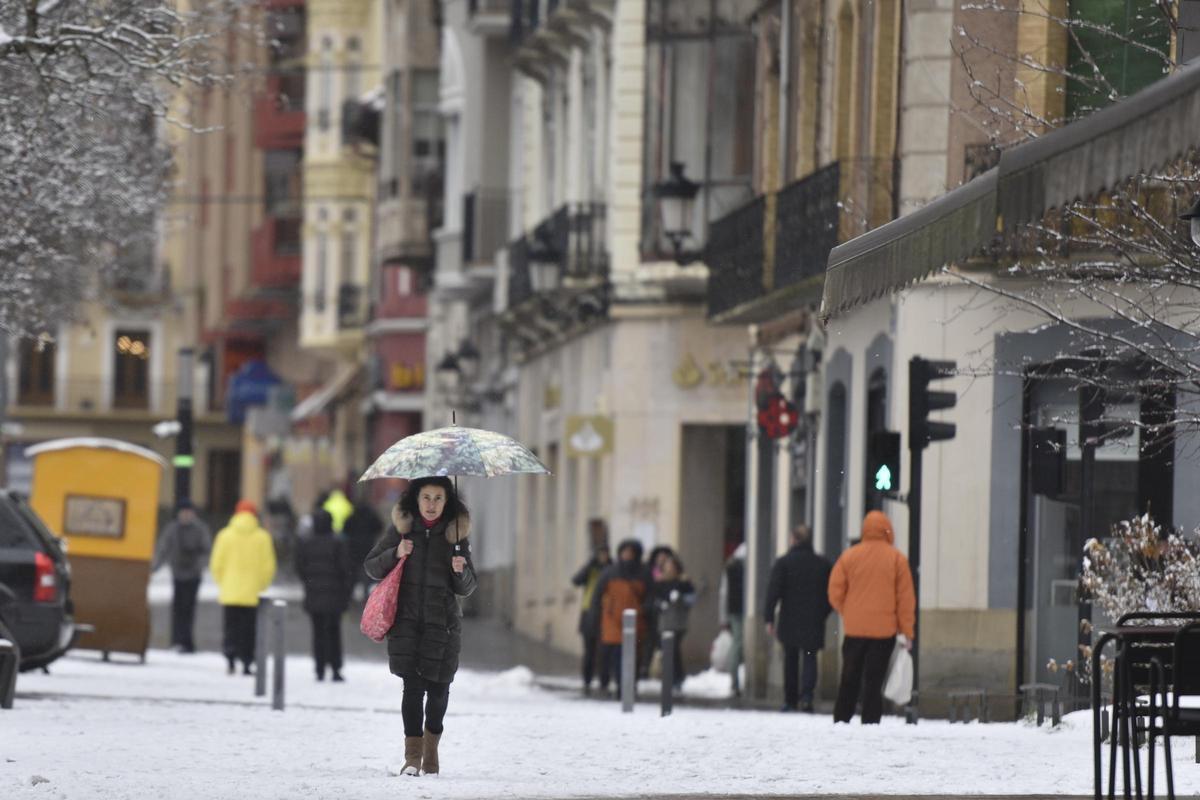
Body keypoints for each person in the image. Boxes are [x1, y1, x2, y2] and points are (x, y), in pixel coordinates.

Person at [364, 477, 476, 777]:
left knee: (439, 691)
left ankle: (431, 750)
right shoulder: (402, 529)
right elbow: (372, 566)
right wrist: (396, 553)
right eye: (426, 497)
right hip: (407, 624)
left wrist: (460, 570)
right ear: (416, 499)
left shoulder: (455, 535)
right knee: (412, 689)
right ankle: (412, 757)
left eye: (438, 498)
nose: (431, 505)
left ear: (446, 501)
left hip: (443, 626)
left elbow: (467, 587)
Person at [827, 510, 915, 724]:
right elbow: (905, 599)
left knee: (849, 677)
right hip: (883, 631)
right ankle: (870, 720)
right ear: (888, 530)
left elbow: (834, 590)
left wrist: (847, 610)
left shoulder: (850, 556)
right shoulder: (897, 559)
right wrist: (907, 631)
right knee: (873, 680)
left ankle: (842, 717)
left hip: (855, 629)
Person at [764, 525, 832, 712]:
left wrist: (769, 618)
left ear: (793, 539)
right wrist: (823, 612)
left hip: (790, 620)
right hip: (813, 620)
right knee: (810, 658)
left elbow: (773, 592)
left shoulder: (784, 563)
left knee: (791, 660)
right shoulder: (822, 564)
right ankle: (807, 697)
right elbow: (832, 594)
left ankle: (790, 699)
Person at [209, 499, 277, 675]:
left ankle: (231, 659)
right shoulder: (262, 537)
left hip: (230, 591)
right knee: (249, 630)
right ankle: (247, 662)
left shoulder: (224, 535)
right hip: (252, 593)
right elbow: (268, 566)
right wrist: (261, 584)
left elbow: (216, 564)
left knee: (230, 628)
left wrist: (223, 582)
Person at [295, 509, 354, 682]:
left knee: (318, 633)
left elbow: (299, 567)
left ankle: (319, 669)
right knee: (334, 634)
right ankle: (335, 669)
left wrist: (309, 583)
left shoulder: (306, 543)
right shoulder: (338, 543)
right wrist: (346, 592)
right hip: (335, 598)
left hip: (314, 596)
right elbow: (346, 570)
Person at [151, 498, 212, 654]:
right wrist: (154, 568)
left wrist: (199, 566)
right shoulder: (172, 529)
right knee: (178, 608)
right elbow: (163, 549)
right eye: (183, 512)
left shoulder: (200, 529)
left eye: (188, 512)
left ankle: (187, 642)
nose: (185, 515)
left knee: (189, 608)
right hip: (177, 573)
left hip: (193, 574)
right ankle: (177, 640)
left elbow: (206, 551)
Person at [590, 539, 649, 698]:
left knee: (632, 657)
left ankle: (628, 687)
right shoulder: (610, 572)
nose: (627, 555)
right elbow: (597, 596)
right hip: (612, 622)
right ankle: (617, 686)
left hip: (635, 622)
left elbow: (650, 597)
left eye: (631, 552)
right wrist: (595, 618)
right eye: (625, 552)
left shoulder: (644, 573)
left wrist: (645, 611)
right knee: (614, 656)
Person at [650, 552, 696, 690]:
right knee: (668, 651)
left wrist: (680, 598)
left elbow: (691, 600)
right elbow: (654, 599)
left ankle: (677, 677)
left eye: (671, 566)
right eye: (667, 566)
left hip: (678, 622)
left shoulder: (683, 582)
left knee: (674, 650)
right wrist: (659, 604)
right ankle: (672, 677)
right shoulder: (660, 583)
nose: (669, 569)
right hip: (664, 621)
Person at [571, 542, 611, 695]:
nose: (602, 557)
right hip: (588, 612)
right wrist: (589, 566)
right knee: (589, 650)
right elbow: (576, 581)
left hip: (605, 611)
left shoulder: (611, 568)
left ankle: (603, 681)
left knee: (603, 650)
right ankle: (587, 680)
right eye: (600, 554)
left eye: (605, 554)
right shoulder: (591, 569)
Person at [343, 493, 385, 601]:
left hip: (354, 548)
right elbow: (379, 526)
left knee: (353, 572)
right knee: (366, 573)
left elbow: (345, 529)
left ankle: (350, 595)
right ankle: (366, 595)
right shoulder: (371, 515)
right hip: (367, 547)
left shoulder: (352, 516)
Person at [718, 541, 746, 696]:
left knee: (737, 643)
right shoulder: (741, 567)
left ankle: (734, 679)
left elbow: (724, 593)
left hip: (734, 609)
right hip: (740, 609)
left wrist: (723, 617)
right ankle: (734, 679)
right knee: (738, 643)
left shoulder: (730, 567)